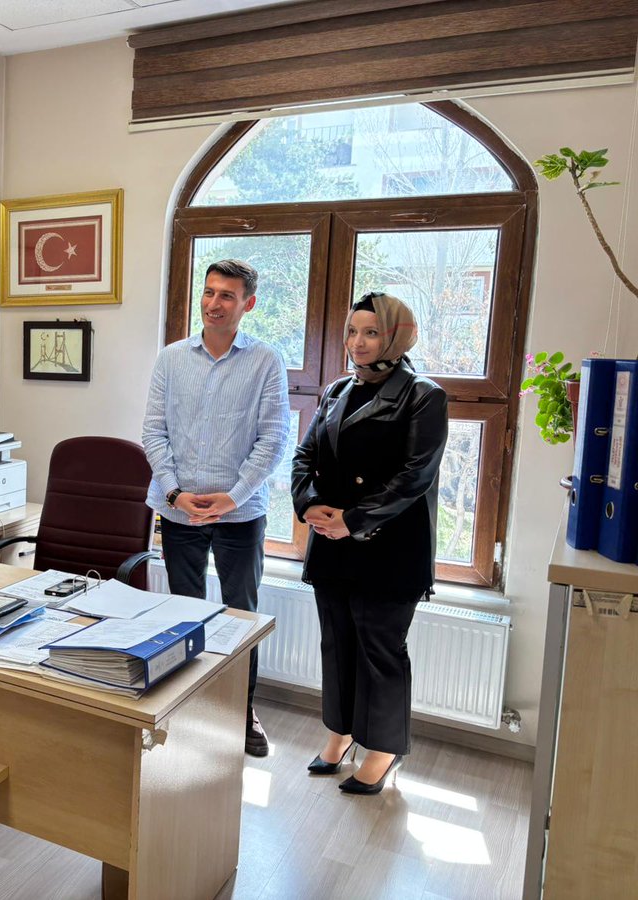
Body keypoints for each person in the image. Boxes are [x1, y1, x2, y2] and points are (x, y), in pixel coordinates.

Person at [290, 291, 448, 795]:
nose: (358, 343)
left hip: (390, 548)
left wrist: (353, 519)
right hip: (332, 542)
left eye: (371, 333)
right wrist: (308, 504)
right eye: (353, 332)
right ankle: (339, 734)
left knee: (380, 650)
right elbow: (304, 455)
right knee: (336, 643)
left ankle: (382, 748)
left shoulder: (423, 395)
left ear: (397, 337)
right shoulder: (338, 389)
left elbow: (415, 476)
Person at [142, 258, 290, 756]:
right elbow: (153, 432)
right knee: (183, 612)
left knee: (241, 615)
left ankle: (241, 712)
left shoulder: (265, 361)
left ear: (248, 304)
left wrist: (234, 496)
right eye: (208, 292)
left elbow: (273, 438)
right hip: (179, 510)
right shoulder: (171, 359)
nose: (214, 303)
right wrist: (174, 493)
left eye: (227, 295)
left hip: (240, 514)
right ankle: (188, 707)